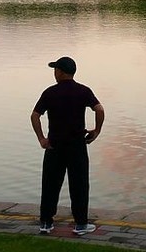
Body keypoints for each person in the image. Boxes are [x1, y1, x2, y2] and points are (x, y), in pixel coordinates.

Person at [31, 56, 104, 236]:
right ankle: (80, 224)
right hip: (77, 146)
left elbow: (34, 115)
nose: (54, 73)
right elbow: (100, 109)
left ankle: (46, 222)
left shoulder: (50, 92)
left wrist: (41, 139)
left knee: (50, 184)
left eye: (55, 69)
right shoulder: (83, 91)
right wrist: (96, 131)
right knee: (79, 184)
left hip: (54, 146)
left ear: (61, 72)